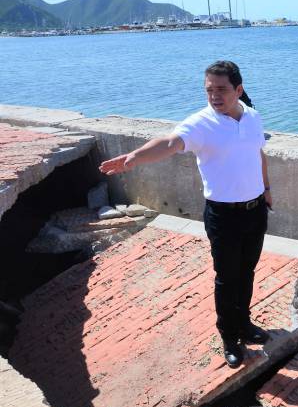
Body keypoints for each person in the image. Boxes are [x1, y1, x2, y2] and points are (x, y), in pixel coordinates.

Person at [99, 60, 272, 369]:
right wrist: (135, 157)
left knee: (247, 272)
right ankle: (229, 337)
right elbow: (169, 142)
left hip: (255, 210)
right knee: (227, 277)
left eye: (222, 89)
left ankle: (244, 324)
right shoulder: (201, 123)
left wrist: (267, 188)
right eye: (209, 90)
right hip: (224, 215)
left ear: (239, 89)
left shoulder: (253, 118)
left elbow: (258, 153)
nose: (215, 96)